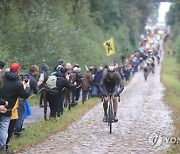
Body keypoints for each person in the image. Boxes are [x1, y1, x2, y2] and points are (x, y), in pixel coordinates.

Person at [0, 63, 31, 152]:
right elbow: (24, 95)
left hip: (2, 105)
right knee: (4, 128)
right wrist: (27, 87)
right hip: (7, 109)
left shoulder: (1, 78)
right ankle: (3, 147)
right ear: (17, 71)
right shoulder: (17, 84)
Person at [14, 65, 42, 136]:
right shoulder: (32, 80)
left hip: (14, 97)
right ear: (35, 71)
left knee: (14, 114)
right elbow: (36, 91)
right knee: (20, 115)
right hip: (22, 98)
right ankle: (17, 131)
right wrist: (38, 84)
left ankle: (15, 128)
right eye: (37, 71)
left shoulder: (22, 76)